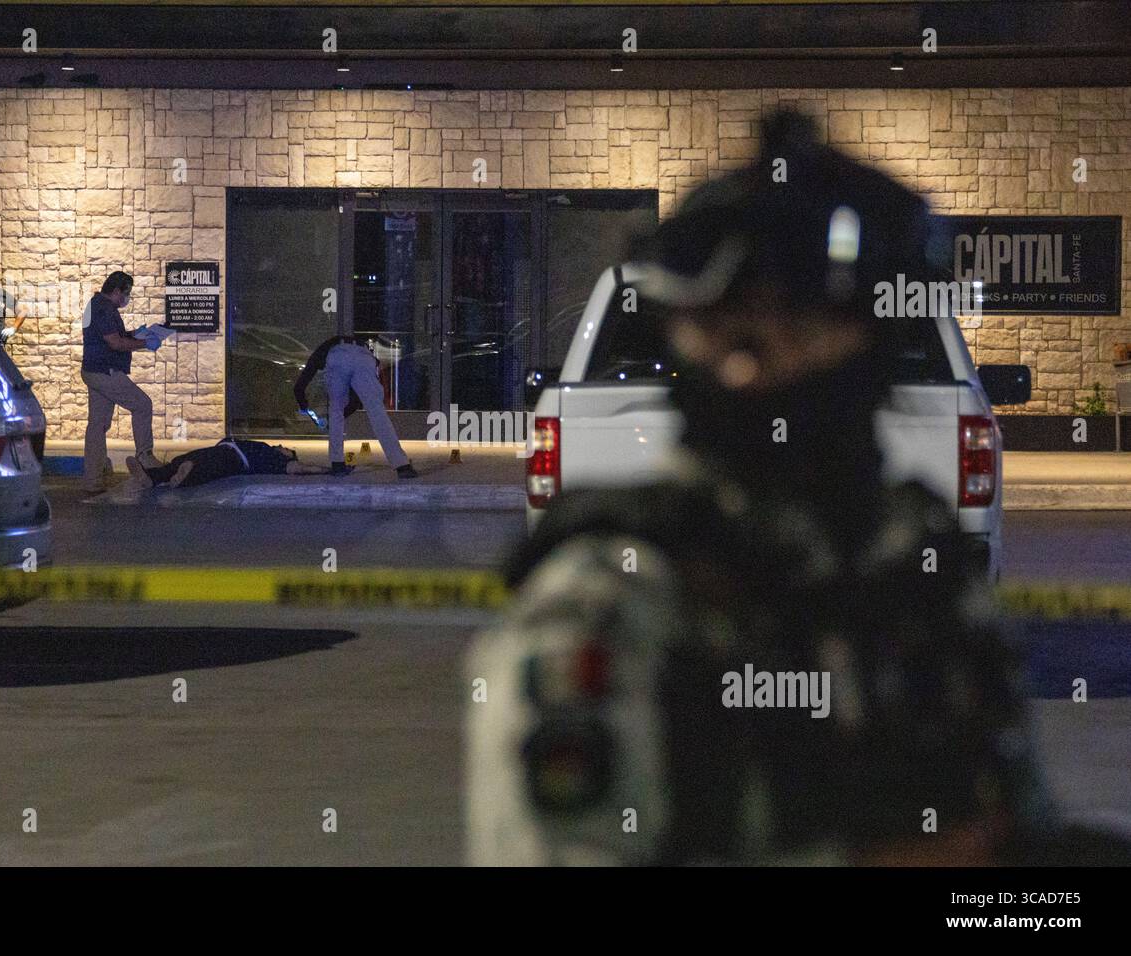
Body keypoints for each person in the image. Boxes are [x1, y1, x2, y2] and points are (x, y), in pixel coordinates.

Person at [463, 110, 1126, 867]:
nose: (763, 360)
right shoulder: (611, 602)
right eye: (738, 331)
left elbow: (1007, 828)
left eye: (810, 323)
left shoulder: (917, 572)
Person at [81, 271, 160, 494]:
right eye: (126, 293)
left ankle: (93, 479)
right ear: (116, 291)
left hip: (93, 370)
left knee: (97, 425)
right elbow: (115, 342)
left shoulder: (96, 304)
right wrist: (145, 343)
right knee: (142, 404)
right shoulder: (104, 308)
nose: (127, 298)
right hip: (105, 371)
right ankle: (144, 456)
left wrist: (136, 333)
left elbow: (115, 334)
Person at [294, 335, 417, 478]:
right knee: (377, 412)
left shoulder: (321, 355)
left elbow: (299, 387)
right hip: (363, 356)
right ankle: (402, 465)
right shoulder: (348, 355)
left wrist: (305, 407)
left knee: (336, 410)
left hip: (338, 354)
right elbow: (355, 403)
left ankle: (337, 464)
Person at [127, 438, 326, 490]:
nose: (282, 446)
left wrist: (334, 469)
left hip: (236, 460)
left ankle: (177, 477)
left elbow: (303, 468)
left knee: (206, 465)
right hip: (226, 449)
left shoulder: (279, 462)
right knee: (189, 459)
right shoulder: (268, 449)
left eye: (286, 449)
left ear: (289, 456)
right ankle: (152, 478)